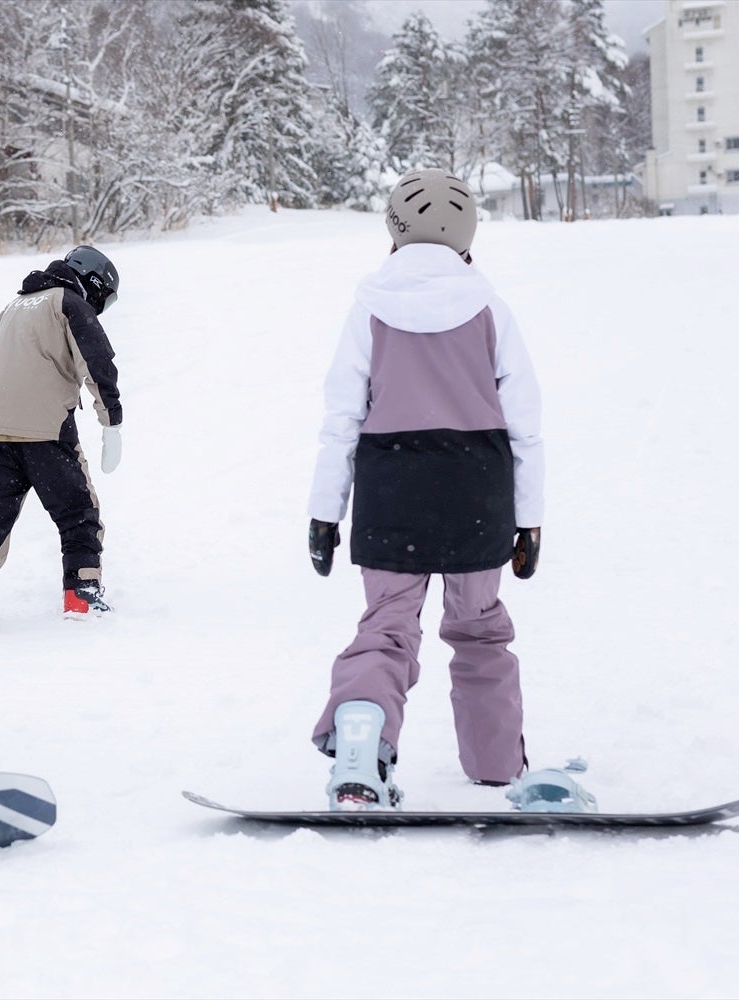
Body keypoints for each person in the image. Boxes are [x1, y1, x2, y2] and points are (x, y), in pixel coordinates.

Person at [306, 168, 544, 810]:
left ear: (394, 229)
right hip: (478, 490)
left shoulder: (370, 307)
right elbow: (526, 425)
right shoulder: (489, 306)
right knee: (479, 629)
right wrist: (531, 520)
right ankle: (497, 767)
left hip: (393, 486)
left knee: (386, 629)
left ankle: (360, 741)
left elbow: (341, 421)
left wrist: (325, 513)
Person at [0, 246, 123, 636]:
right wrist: (112, 421)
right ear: (94, 283)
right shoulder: (69, 303)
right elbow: (97, 361)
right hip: (44, 433)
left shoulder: (12, 306)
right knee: (78, 511)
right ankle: (82, 592)